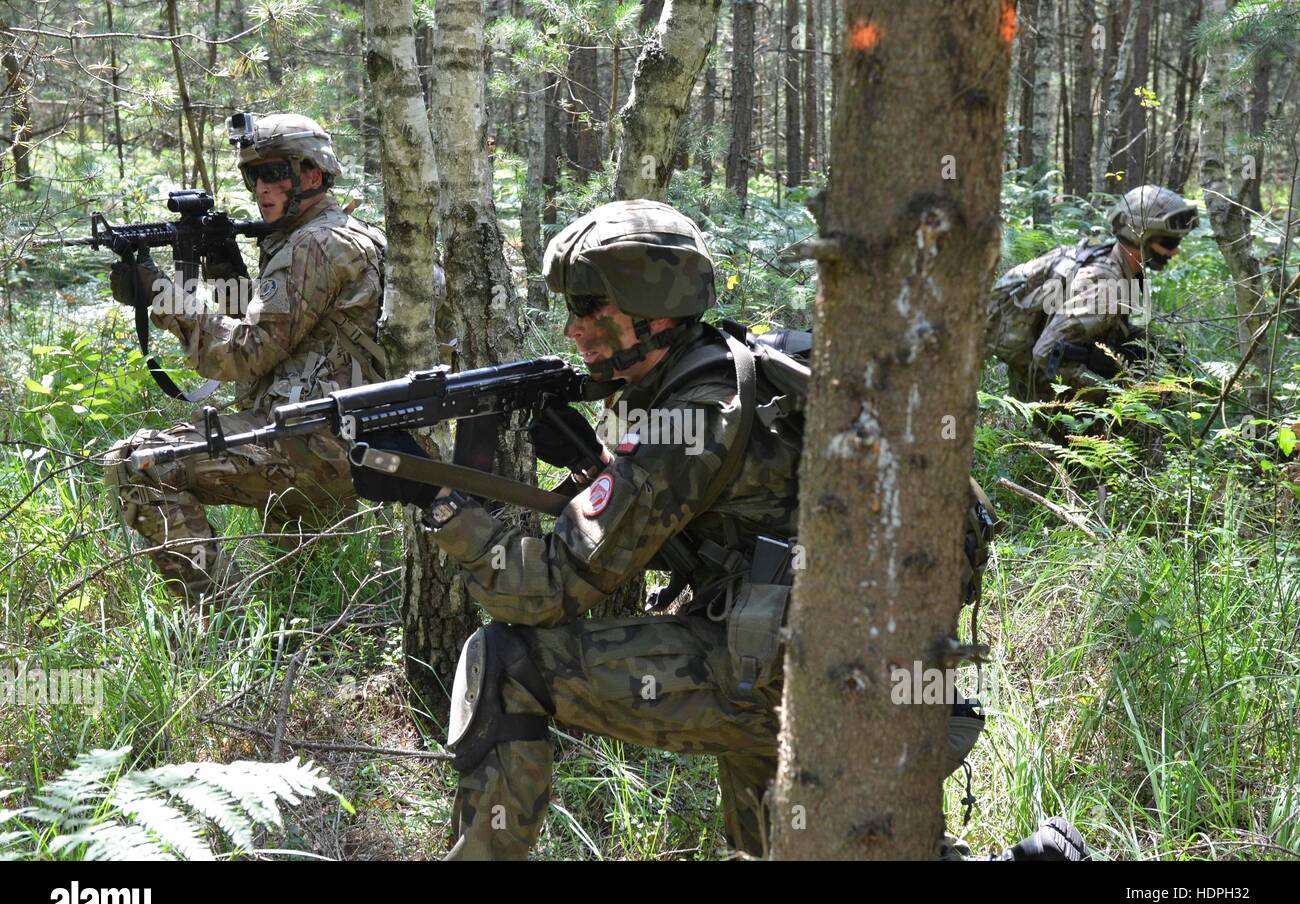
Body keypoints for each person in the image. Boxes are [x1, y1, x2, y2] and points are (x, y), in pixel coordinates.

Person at [351, 199, 1087, 860]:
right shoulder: (735, 368)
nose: (573, 327)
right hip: (842, 665)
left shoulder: (696, 410)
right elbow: (696, 517)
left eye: (590, 306)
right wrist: (593, 465)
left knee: (506, 663)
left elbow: (542, 591)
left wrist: (441, 501)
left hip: (809, 679)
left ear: (653, 310)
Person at [103, 113, 388, 600]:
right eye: (253, 175)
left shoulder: (314, 246)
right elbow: (287, 342)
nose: (261, 187)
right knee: (304, 594)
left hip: (314, 447)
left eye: (275, 172)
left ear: (312, 174)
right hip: (345, 439)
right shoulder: (349, 233)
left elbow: (244, 355)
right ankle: (303, 612)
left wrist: (160, 296)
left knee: (136, 464)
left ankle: (224, 610)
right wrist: (226, 269)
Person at [985, 185, 1199, 404]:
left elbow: (1106, 326)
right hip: (1047, 396)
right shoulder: (1105, 288)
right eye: (1169, 242)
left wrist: (1152, 346)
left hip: (1042, 384)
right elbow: (1047, 353)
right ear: (1140, 236)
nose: (1176, 251)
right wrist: (1115, 394)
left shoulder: (1115, 262)